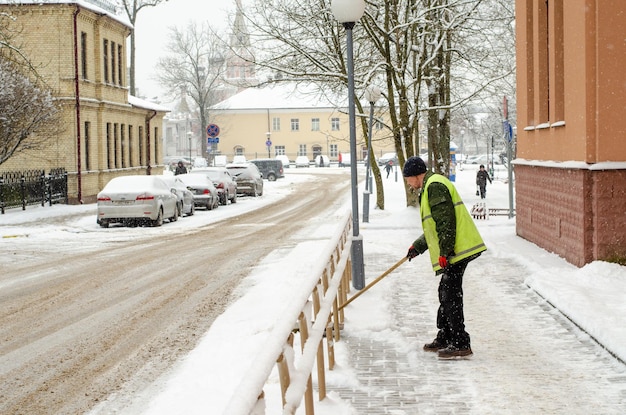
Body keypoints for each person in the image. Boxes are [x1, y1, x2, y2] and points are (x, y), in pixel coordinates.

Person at [403, 156, 487, 359]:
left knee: (450, 295)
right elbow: (435, 225)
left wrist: (445, 252)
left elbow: (446, 222)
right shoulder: (431, 185)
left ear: (415, 175)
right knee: (446, 292)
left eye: (407, 179)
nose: (407, 183)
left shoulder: (434, 186)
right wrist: (418, 246)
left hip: (458, 250)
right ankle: (447, 336)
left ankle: (460, 342)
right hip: (454, 250)